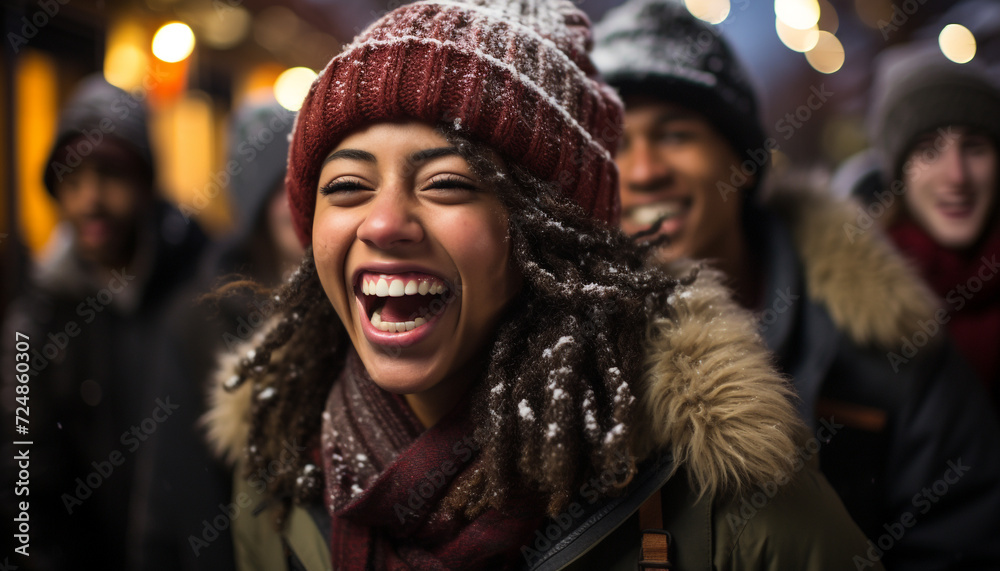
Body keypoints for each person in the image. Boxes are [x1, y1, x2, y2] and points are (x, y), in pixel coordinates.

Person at [204, 1, 881, 569]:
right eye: (347, 186)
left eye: (448, 183)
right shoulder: (277, 465)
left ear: (552, 234)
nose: (384, 222)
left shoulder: (718, 483)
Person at [592, 1, 1000, 569]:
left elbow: (965, 535)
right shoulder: (563, 361)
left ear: (745, 161)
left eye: (676, 134)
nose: (643, 170)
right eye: (615, 144)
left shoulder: (887, 337)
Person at [1, 75, 208, 570]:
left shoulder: (200, 289)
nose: (90, 199)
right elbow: (21, 466)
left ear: (144, 181)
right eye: (72, 180)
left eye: (110, 175)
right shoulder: (38, 317)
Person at [128, 98, 300, 570]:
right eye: (276, 185)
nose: (294, 197)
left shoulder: (358, 304)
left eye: (307, 177)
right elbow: (173, 492)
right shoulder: (196, 321)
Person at [867, 43, 1000, 410]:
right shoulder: (854, 315)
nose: (956, 176)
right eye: (928, 150)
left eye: (974, 147)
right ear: (898, 175)